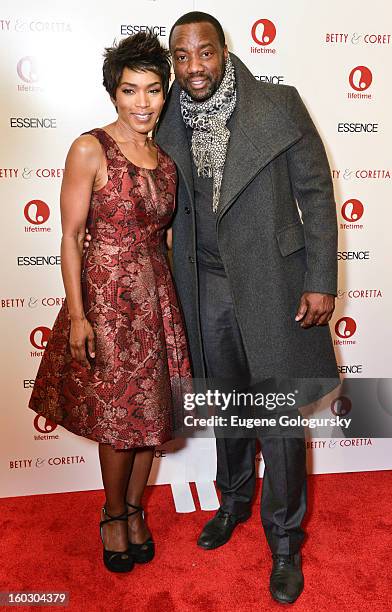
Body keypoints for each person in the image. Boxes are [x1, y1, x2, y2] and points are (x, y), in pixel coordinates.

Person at [157, 12, 339, 605]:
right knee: (227, 403)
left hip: (273, 283)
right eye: (180, 57)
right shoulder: (167, 122)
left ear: (224, 51)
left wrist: (320, 281)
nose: (193, 69)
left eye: (203, 54)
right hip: (204, 283)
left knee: (278, 420)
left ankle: (285, 541)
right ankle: (232, 503)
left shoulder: (278, 104)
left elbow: (315, 191)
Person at [28, 32, 191, 574]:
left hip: (154, 298)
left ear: (165, 94)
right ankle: (112, 513)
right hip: (105, 300)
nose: (142, 103)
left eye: (152, 90)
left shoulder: (166, 163)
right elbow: (71, 236)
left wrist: (170, 310)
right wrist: (78, 315)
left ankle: (136, 508)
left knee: (151, 416)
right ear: (113, 94)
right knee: (119, 420)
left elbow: (164, 239)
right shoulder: (90, 147)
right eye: (129, 90)